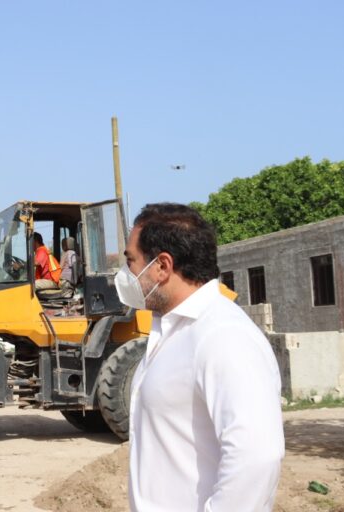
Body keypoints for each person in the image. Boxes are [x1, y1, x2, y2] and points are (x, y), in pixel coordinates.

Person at [115, 203, 284, 511]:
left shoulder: (223, 335)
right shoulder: (170, 329)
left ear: (162, 266)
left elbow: (257, 456)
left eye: (131, 262)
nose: (125, 275)